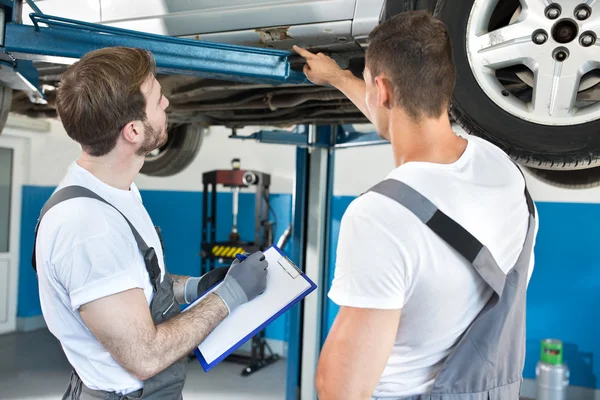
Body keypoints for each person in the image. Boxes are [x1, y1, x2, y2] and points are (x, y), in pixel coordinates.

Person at [294, 10, 538, 400]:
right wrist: (339, 78)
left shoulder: (380, 217)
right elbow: (394, 115)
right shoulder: (501, 167)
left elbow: (340, 389)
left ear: (384, 90)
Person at [32, 46, 269, 399]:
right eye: (158, 100)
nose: (167, 105)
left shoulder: (115, 193)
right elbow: (144, 355)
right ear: (133, 131)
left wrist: (195, 287)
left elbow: (133, 279)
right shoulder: (88, 228)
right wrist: (230, 296)